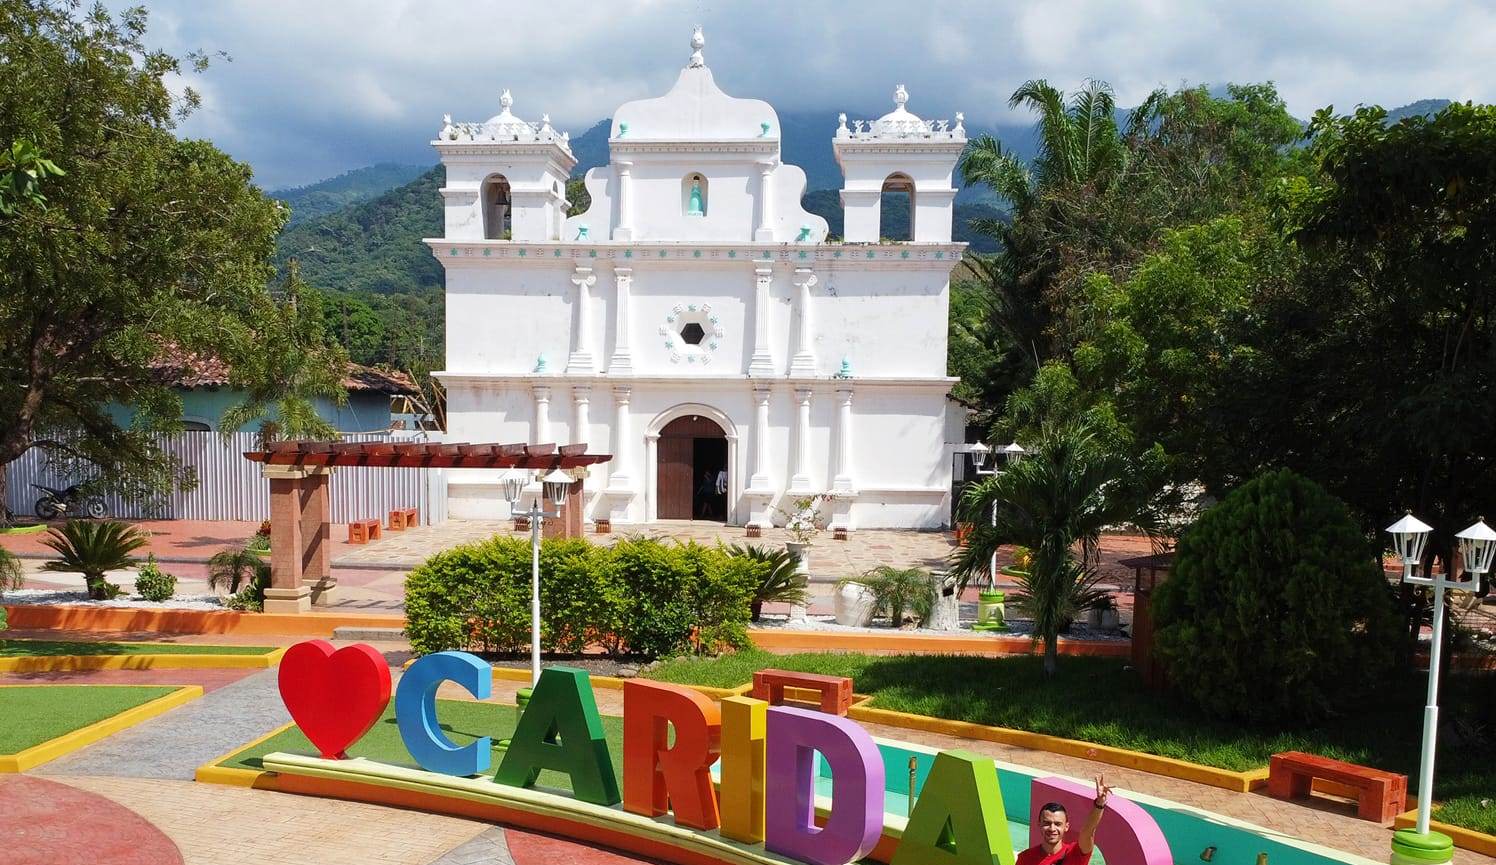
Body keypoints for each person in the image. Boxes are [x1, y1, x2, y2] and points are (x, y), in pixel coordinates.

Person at [1015, 775, 1112, 865]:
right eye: (1047, 823)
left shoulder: (1075, 853)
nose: (1052, 828)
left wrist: (1099, 804)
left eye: (1057, 824)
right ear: (1039, 824)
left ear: (1066, 826)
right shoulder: (1025, 858)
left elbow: (1087, 832)